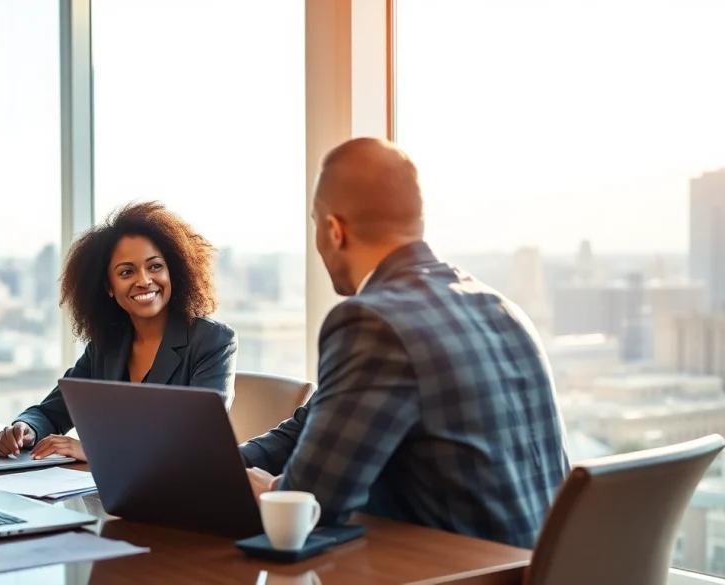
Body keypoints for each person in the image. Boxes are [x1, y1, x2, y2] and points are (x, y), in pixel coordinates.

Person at [240, 138, 569, 549]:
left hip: (462, 573)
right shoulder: (501, 308)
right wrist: (216, 464)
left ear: (334, 230)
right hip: (535, 568)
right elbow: (315, 427)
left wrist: (266, 489)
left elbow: (312, 502)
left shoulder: (373, 321)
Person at [0, 201, 237, 462]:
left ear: (173, 272)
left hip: (183, 484)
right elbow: (52, 412)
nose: (144, 280)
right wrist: (25, 429)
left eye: (155, 266)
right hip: (113, 483)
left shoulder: (212, 341)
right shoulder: (105, 345)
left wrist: (98, 450)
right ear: (108, 287)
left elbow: (197, 436)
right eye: (127, 272)